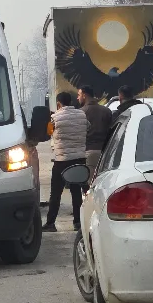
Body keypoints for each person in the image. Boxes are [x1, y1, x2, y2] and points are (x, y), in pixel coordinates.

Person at [43, 92, 89, 232]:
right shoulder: (82, 115)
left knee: (56, 193)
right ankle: (78, 222)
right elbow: (88, 128)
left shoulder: (54, 118)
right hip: (79, 159)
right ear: (71, 102)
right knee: (76, 192)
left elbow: (49, 133)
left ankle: (50, 223)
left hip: (62, 160)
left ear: (58, 103)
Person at [77, 85, 112, 183]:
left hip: (89, 152)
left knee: (91, 184)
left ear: (84, 95)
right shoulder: (107, 111)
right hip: (107, 153)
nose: (77, 98)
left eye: (79, 95)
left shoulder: (81, 113)